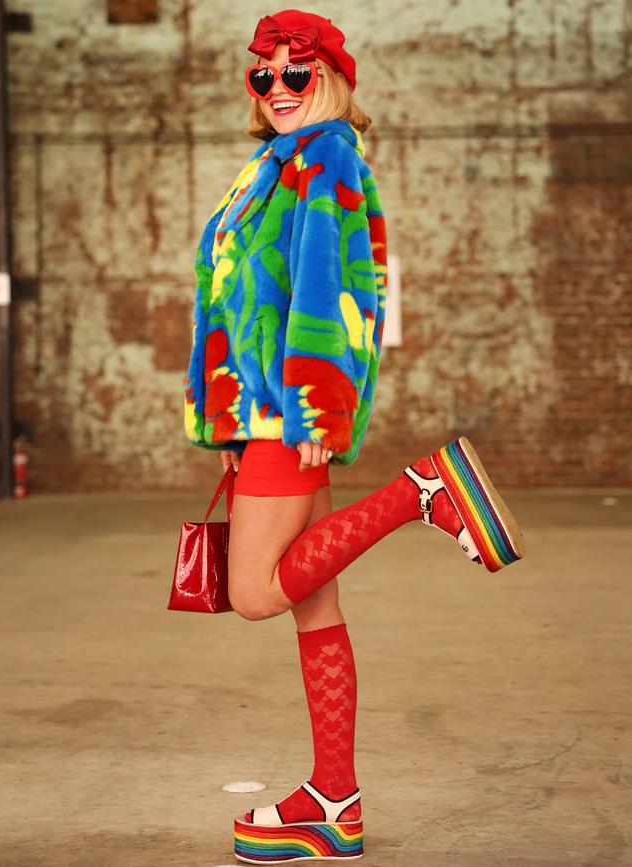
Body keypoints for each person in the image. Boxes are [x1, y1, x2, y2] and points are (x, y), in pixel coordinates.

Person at [183, 9, 525, 863]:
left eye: (296, 74)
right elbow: (234, 299)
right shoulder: (270, 164)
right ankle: (334, 801)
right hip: (260, 412)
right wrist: (227, 409)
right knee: (314, 604)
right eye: (263, 77)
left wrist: (313, 407)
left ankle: (424, 490)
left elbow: (332, 290)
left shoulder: (325, 158)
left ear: (331, 78)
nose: (278, 90)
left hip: (287, 413)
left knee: (256, 590)